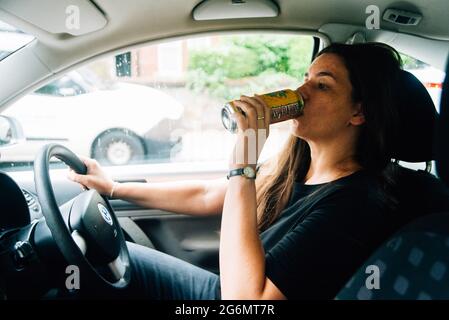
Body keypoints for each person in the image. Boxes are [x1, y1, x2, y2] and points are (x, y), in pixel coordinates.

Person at [68, 42, 404, 300]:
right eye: (306, 79)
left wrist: (243, 162)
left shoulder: (355, 204)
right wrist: (114, 187)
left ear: (358, 112)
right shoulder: (298, 165)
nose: (301, 93)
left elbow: (246, 301)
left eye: (322, 86)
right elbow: (209, 195)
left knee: (100, 259)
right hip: (224, 287)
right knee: (97, 255)